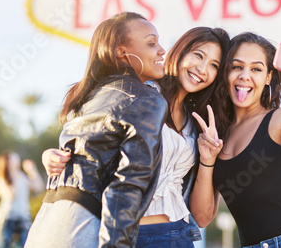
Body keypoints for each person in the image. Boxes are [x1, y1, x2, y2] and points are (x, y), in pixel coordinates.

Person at [42, 26, 230, 247]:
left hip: (180, 235)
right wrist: (50, 156)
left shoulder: (198, 123)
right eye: (198, 55)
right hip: (129, 235)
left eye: (214, 65)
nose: (203, 69)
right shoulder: (138, 95)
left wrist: (208, 159)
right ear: (180, 51)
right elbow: (87, 140)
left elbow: (203, 217)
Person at [24, 12, 169, 248]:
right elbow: (128, 183)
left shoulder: (87, 95)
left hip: (46, 221)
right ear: (122, 51)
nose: (162, 50)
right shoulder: (145, 98)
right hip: (81, 224)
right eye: (152, 43)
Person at [190, 32, 281, 248]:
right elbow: (201, 218)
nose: (245, 76)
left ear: (268, 77)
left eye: (256, 69)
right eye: (237, 66)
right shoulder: (214, 133)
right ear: (225, 73)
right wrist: (206, 159)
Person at [0, 151, 44, 248]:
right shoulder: (1, 178)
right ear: (7, 162)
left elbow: (39, 187)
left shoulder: (22, 176)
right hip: (7, 219)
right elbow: (10, 196)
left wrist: (32, 171)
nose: (18, 159)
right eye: (14, 158)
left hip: (23, 219)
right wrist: (15, 174)